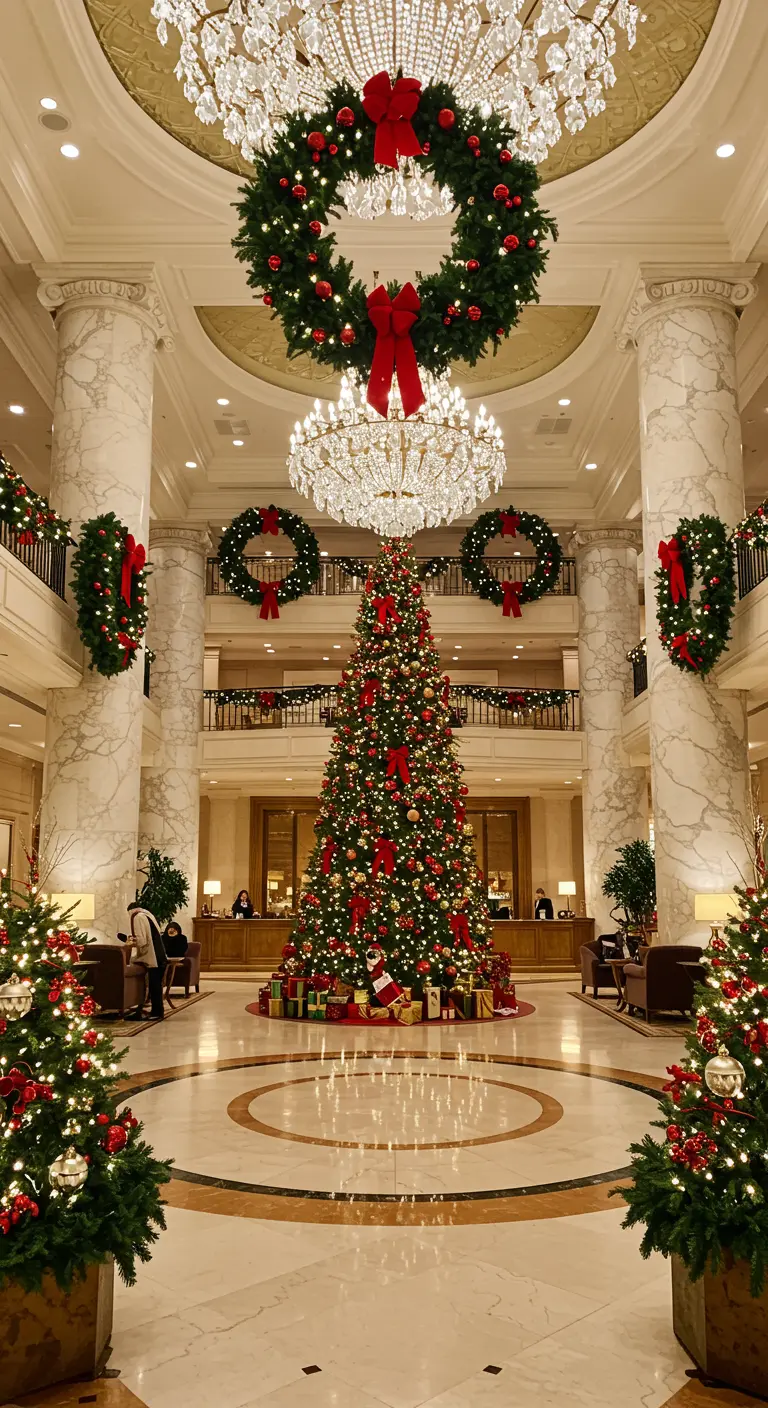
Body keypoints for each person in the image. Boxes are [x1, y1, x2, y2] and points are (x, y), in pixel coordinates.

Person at [127, 900, 166, 1020]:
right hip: (159, 954)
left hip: (152, 956)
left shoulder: (137, 917)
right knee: (156, 985)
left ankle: (156, 1013)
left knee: (154, 985)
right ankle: (156, 1011)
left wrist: (131, 943)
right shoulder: (148, 915)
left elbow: (142, 941)